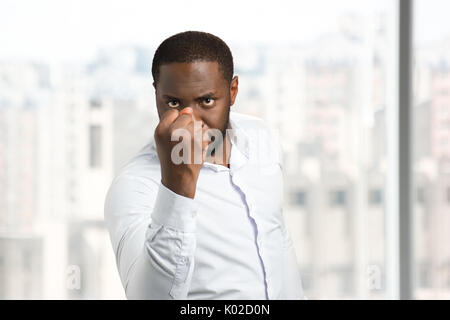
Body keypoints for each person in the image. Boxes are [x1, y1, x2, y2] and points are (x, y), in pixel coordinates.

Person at [104, 30, 305, 299]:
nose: (190, 121)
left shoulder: (261, 139)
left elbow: (278, 240)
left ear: (232, 91)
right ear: (156, 94)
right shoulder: (134, 186)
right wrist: (177, 187)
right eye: (174, 103)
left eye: (206, 101)